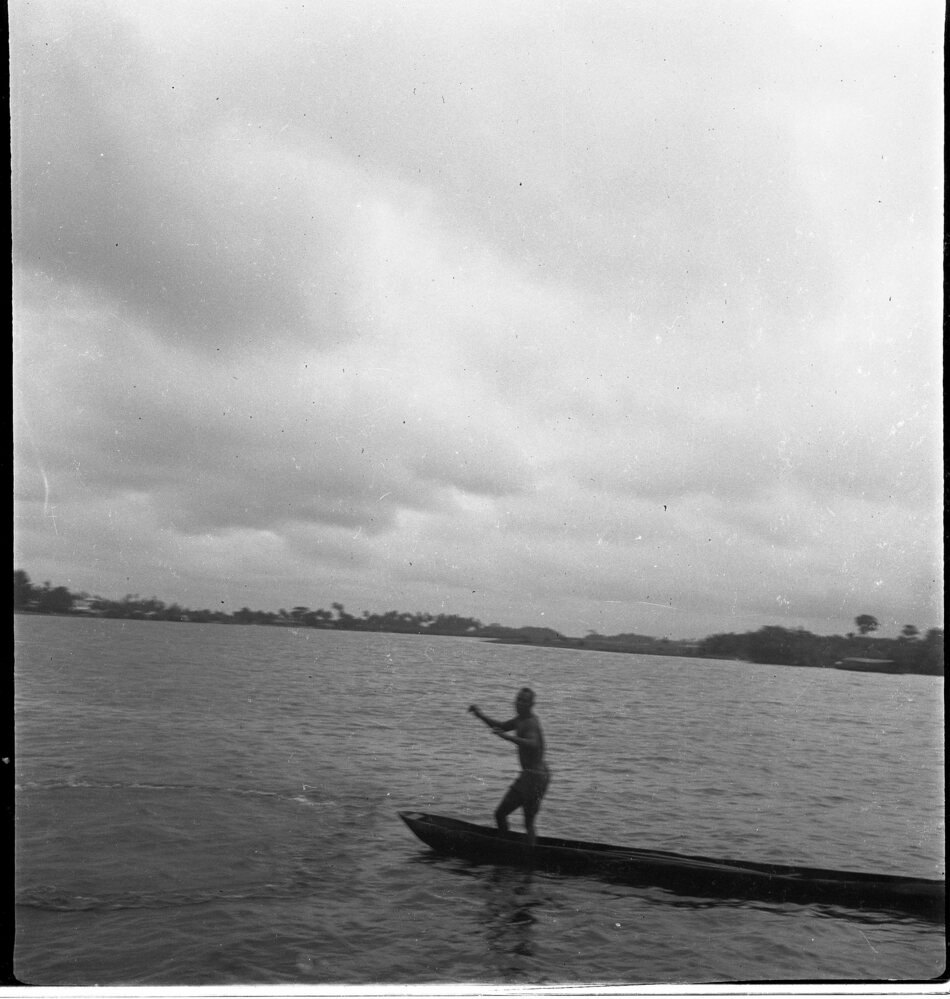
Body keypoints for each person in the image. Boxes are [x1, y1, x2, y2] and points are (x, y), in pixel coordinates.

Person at [468, 687, 549, 847]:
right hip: (541, 777)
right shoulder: (520, 720)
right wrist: (480, 715)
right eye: (518, 699)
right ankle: (530, 856)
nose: (520, 703)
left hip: (533, 777)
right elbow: (501, 726)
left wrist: (507, 738)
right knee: (528, 823)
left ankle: (503, 849)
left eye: (524, 701)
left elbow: (533, 744)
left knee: (500, 814)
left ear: (532, 704)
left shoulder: (531, 722)